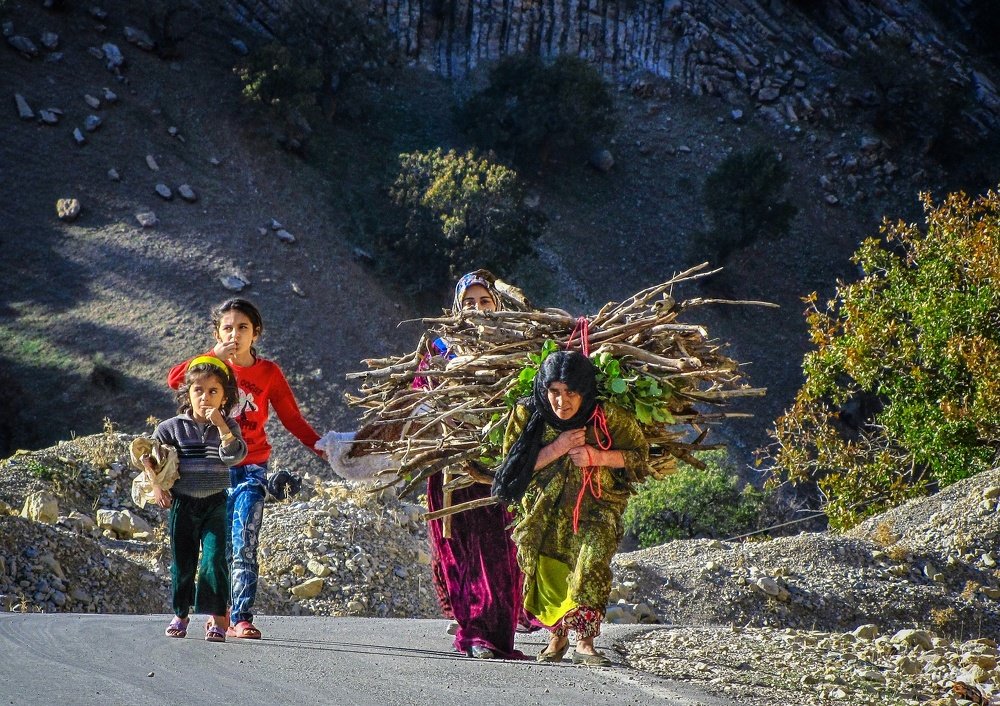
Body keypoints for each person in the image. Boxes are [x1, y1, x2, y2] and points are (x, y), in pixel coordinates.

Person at [167, 298, 323, 640]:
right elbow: (174, 379)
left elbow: (291, 417)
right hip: (211, 472)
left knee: (245, 541)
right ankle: (217, 613)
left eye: (242, 328)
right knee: (216, 547)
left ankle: (241, 616)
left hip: (252, 465)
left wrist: (320, 447)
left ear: (256, 333)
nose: (234, 334)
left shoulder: (269, 374)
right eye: (227, 328)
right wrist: (214, 357)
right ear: (216, 333)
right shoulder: (210, 366)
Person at [494, 350, 649, 666]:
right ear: (544, 389)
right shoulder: (527, 414)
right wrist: (557, 447)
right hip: (542, 512)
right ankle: (557, 638)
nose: (561, 402)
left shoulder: (608, 417)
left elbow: (640, 458)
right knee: (551, 572)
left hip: (598, 507)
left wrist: (599, 457)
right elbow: (511, 469)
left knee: (590, 564)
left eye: (571, 393)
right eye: (554, 392)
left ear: (586, 391)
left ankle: (586, 642)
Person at [422, 271, 526, 660]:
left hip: (499, 467)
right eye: (469, 302)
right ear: (456, 307)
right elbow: (421, 398)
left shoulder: (516, 347)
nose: (477, 309)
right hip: (452, 466)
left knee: (500, 551)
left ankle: (496, 636)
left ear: (497, 305)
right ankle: (475, 634)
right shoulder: (437, 350)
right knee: (464, 549)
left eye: (484, 301)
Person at [151, 356, 247, 642]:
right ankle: (181, 614)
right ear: (187, 394)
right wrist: (157, 485)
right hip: (183, 503)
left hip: (216, 502)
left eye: (213, 391)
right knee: (183, 561)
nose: (205, 397)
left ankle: (218, 619)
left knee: (215, 559)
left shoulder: (228, 427)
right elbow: (152, 458)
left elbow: (236, 457)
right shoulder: (171, 428)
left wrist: (222, 428)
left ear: (224, 396)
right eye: (198, 391)